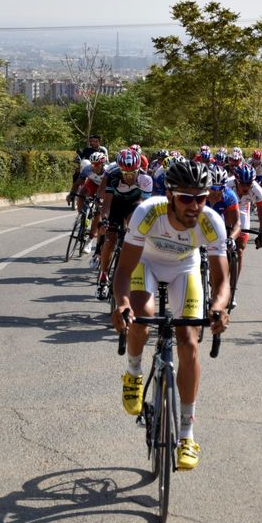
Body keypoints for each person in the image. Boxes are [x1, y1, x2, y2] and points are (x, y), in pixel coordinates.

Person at [111, 159, 230, 470]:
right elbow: (123, 269)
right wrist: (121, 303)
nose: (195, 206)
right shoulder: (147, 213)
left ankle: (187, 434)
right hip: (146, 264)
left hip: (184, 269)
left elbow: (222, 280)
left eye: (201, 198)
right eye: (186, 198)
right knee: (142, 317)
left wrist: (219, 306)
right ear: (170, 197)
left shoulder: (211, 222)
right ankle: (134, 372)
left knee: (188, 340)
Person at [96, 147, 153, 300]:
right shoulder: (114, 177)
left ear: (139, 169)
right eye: (125, 173)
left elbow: (145, 208)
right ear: (119, 170)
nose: (129, 177)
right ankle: (103, 276)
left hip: (134, 205)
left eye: (132, 173)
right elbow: (107, 205)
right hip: (115, 205)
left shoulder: (145, 180)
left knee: (134, 224)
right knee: (110, 239)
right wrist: (104, 220)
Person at [230, 163, 262, 307]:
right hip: (227, 209)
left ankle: (233, 289)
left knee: (239, 250)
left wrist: (261, 235)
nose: (245, 187)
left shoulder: (257, 190)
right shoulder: (227, 185)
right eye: (242, 184)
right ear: (236, 181)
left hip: (243, 212)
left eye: (249, 184)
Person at [67, 135, 105, 205]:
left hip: (99, 172)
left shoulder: (103, 150)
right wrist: (77, 159)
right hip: (87, 167)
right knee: (76, 174)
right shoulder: (87, 149)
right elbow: (81, 157)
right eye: (92, 141)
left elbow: (106, 161)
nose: (93, 143)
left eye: (96, 141)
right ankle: (74, 192)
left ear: (99, 142)